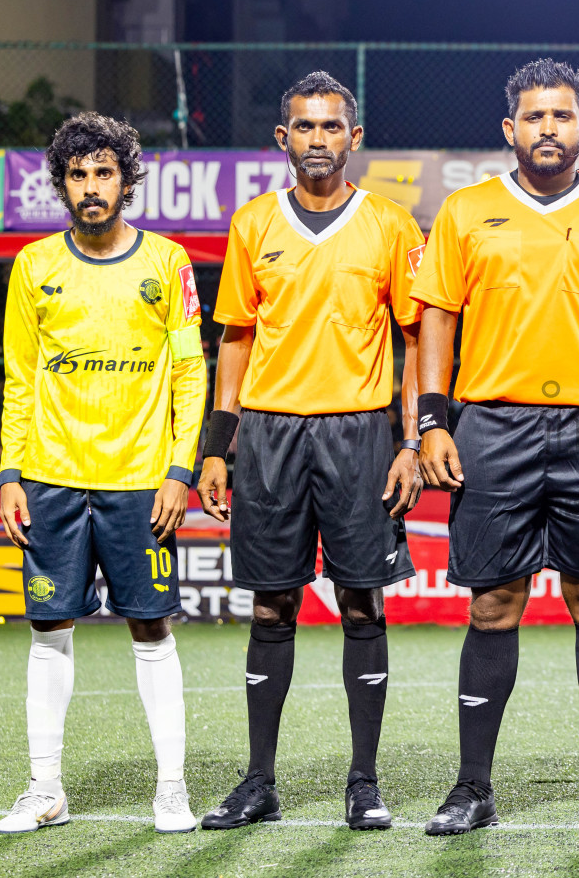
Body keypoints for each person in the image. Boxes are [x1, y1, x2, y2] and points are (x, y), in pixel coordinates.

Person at [414, 59, 579, 836]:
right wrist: (430, 420)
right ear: (510, 130)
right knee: (494, 603)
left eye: (561, 116)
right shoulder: (464, 212)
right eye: (534, 117)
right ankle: (472, 787)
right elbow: (436, 318)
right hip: (491, 427)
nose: (547, 129)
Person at [197, 72, 425, 831]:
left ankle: (364, 781)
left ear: (354, 138)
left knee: (362, 602)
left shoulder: (392, 225)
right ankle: (259, 780)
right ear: (282, 139)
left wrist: (412, 440)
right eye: (305, 127)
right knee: (272, 605)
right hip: (267, 433)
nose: (319, 139)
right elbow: (234, 338)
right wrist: (217, 448)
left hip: (359, 434)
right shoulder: (253, 223)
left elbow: (416, 339)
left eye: (332, 127)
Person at [0, 112, 206, 834]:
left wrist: (180, 469)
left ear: (126, 179)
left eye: (103, 173)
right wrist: (10, 473)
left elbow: (189, 371)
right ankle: (44, 788)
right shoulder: (33, 267)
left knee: (151, 627)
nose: (91, 188)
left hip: (141, 480)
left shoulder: (168, 263)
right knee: (49, 626)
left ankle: (171, 788)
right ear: (61, 184)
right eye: (77, 175)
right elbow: (18, 376)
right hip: (51, 476)